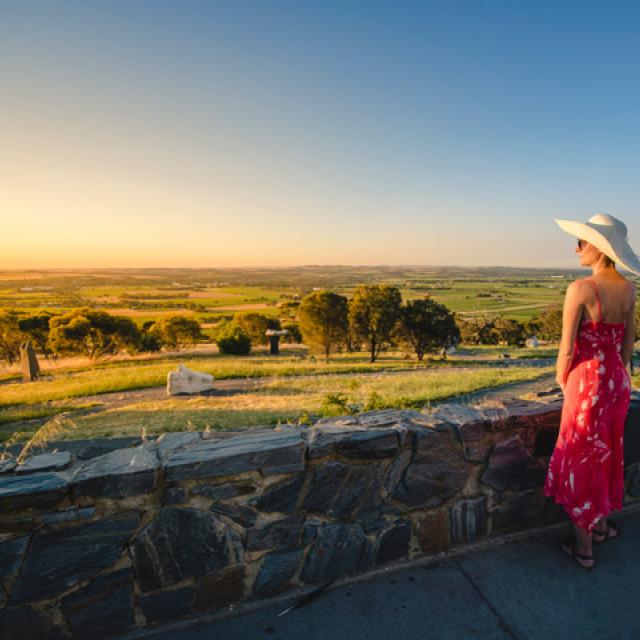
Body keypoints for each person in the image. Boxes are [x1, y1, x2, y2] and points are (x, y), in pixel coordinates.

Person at [544, 213, 639, 571]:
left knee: (579, 458)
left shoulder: (580, 288)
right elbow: (628, 346)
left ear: (598, 248)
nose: (576, 248)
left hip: (586, 384)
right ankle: (599, 526)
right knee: (605, 454)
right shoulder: (629, 288)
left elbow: (567, 350)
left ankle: (584, 549)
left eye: (582, 243)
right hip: (617, 382)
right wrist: (616, 376)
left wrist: (562, 382)